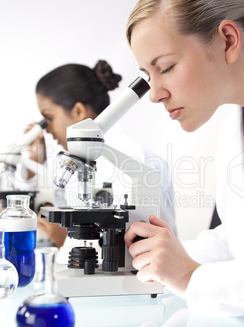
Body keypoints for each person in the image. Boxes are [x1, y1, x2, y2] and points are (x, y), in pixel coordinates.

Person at [124, 0, 244, 316]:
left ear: (228, 40)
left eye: (167, 67)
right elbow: (243, 241)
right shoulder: (236, 125)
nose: (155, 94)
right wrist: (162, 256)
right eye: (148, 75)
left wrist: (189, 276)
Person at [25, 61, 176, 248]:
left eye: (49, 118)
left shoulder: (137, 160)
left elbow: (151, 243)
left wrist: (66, 242)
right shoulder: (81, 159)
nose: (47, 130)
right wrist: (34, 163)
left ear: (78, 111)